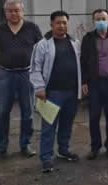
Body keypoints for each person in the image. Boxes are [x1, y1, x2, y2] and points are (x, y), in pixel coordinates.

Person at [0, 0, 43, 162]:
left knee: (28, 112)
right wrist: (0, 63)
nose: (14, 13)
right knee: (2, 112)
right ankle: (1, 148)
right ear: (5, 13)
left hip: (27, 75)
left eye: (17, 10)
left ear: (22, 11)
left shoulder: (32, 28)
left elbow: (40, 49)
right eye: (10, 11)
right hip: (5, 75)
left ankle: (25, 145)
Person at [29, 11, 82, 173]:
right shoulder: (42, 45)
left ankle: (63, 150)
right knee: (48, 127)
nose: (62, 26)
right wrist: (39, 88)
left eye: (64, 23)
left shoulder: (75, 43)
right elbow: (35, 68)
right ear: (51, 24)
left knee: (67, 124)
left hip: (72, 92)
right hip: (52, 93)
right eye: (58, 23)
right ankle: (46, 158)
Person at [80, 9, 108, 161]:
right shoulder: (88, 38)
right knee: (94, 117)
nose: (101, 21)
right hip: (94, 83)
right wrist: (84, 81)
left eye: (103, 19)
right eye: (98, 19)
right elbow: (83, 61)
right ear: (93, 21)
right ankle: (95, 147)